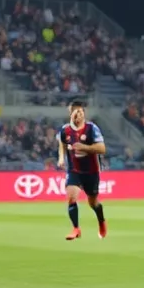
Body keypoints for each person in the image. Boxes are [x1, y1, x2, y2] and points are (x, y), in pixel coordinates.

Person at [57, 100, 108, 240]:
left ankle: (101, 221)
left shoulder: (92, 128)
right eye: (75, 112)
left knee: (93, 202)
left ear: (84, 114)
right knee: (71, 196)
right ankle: (76, 228)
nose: (78, 115)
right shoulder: (65, 130)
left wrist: (84, 147)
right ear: (71, 114)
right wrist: (61, 158)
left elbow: (102, 149)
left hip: (91, 171)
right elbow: (61, 142)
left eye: (80, 112)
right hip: (74, 170)